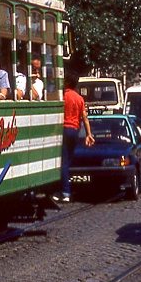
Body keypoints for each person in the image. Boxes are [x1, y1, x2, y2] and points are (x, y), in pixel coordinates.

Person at [54, 73, 94, 203]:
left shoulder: (62, 96)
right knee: (67, 161)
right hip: (75, 131)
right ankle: (64, 188)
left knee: (63, 163)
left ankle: (65, 191)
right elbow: (85, 118)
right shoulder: (79, 98)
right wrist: (89, 134)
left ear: (66, 82)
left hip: (64, 129)